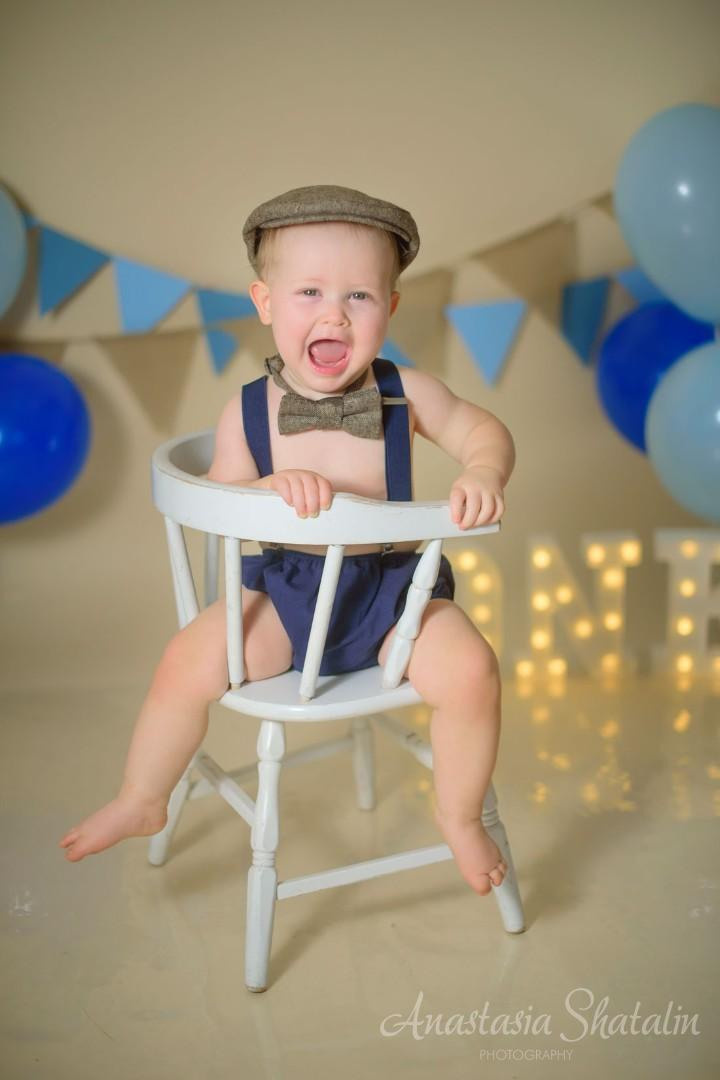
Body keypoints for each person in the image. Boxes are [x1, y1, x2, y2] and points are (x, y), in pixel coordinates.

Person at [60, 184, 516, 898]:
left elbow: (481, 429)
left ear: (389, 309)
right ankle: (143, 793)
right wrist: (264, 493)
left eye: (359, 297)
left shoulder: (406, 393)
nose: (333, 312)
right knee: (186, 660)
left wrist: (484, 468)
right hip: (286, 596)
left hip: (395, 598)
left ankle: (458, 815)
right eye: (308, 291)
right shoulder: (249, 411)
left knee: (473, 673)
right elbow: (219, 499)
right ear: (265, 302)